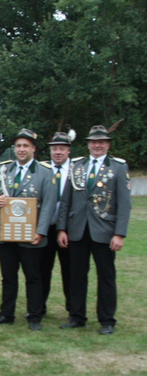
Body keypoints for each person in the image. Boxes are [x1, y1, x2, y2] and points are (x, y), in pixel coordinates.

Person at [57, 125, 131, 335]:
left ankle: (107, 320)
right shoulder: (77, 166)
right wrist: (62, 229)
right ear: (88, 144)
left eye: (101, 142)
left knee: (106, 277)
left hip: (104, 232)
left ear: (107, 145)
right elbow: (66, 200)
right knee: (77, 276)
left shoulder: (118, 167)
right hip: (77, 230)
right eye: (93, 142)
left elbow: (124, 204)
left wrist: (120, 233)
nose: (97, 145)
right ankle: (77, 316)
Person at [0, 129, 56, 331]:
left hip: (30, 235)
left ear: (33, 149)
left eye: (26, 146)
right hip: (6, 235)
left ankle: (34, 316)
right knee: (8, 277)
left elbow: (49, 205)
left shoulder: (45, 172)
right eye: (18, 146)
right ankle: (6, 314)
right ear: (14, 149)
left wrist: (41, 232)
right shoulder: (4, 170)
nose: (22, 149)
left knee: (33, 277)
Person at [39, 132, 73, 318]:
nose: (58, 152)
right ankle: (39, 307)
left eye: (62, 148)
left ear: (68, 151)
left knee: (70, 271)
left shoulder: (77, 170)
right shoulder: (42, 169)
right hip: (46, 227)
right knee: (43, 269)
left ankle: (72, 309)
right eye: (54, 149)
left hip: (68, 229)